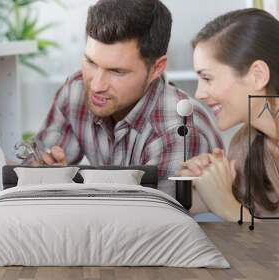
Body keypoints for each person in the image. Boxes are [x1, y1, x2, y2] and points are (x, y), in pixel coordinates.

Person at [26, 0, 223, 197]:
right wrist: (44, 169)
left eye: (117, 71)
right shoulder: (76, 90)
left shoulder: (179, 129)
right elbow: (39, 163)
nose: (96, 86)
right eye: (91, 62)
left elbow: (154, 221)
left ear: (157, 68)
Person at [177, 8, 279, 221]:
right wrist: (201, 186)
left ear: (257, 76)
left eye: (207, 78)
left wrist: (227, 206)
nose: (199, 94)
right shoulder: (246, 146)